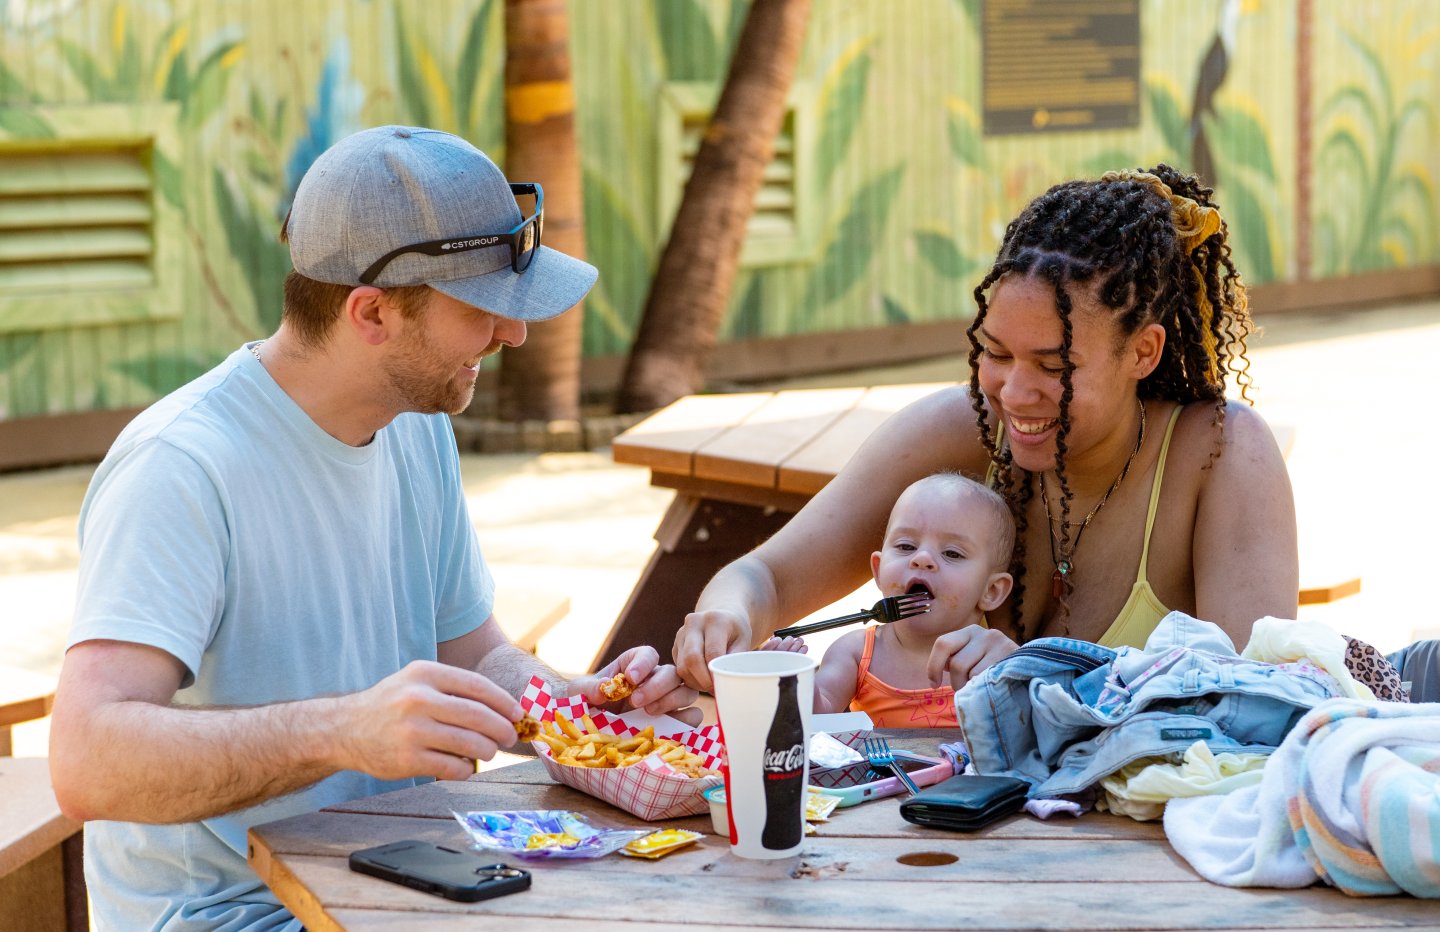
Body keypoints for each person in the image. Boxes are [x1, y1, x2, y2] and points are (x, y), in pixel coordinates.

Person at [48, 125, 697, 930]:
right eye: (483, 308)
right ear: (372, 312)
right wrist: (343, 731)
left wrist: (578, 708)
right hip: (233, 912)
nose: (513, 333)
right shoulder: (181, 465)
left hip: (406, 875)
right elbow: (86, 762)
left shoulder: (415, 420)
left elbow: (472, 653)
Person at [676, 164, 1299, 693]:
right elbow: (766, 577)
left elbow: (1251, 700)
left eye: (1054, 366)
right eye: (996, 354)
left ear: (1143, 351)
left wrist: (1042, 678)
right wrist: (725, 618)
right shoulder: (959, 429)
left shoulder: (1221, 454)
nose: (1014, 393)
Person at [803, 472, 1014, 726]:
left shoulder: (991, 662)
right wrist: (794, 681)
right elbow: (818, 716)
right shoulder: (856, 653)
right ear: (879, 570)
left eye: (952, 553)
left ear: (991, 591)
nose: (922, 558)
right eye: (906, 546)